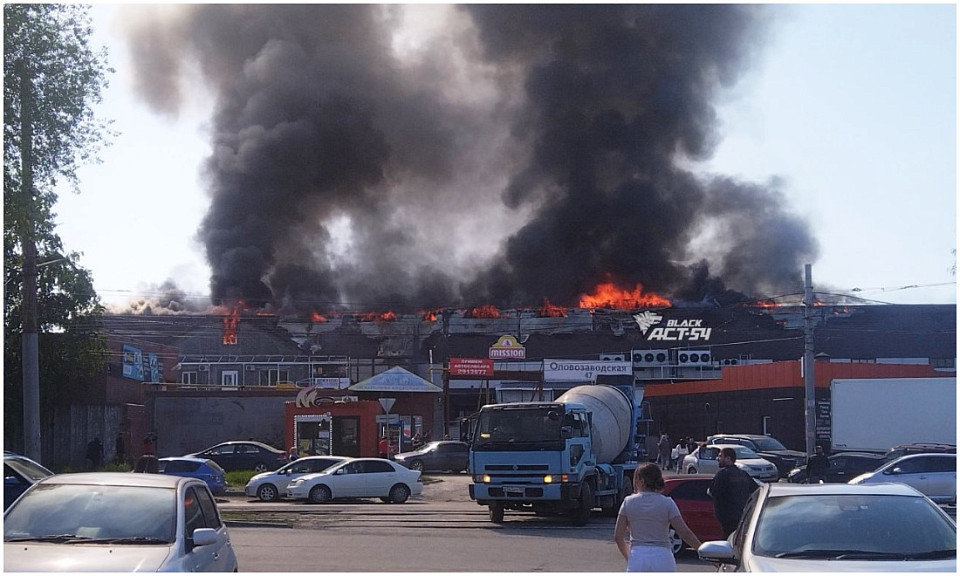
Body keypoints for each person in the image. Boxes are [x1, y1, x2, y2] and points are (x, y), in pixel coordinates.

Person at [614, 462, 701, 572]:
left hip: (638, 554)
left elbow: (618, 536)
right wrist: (703, 551)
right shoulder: (667, 503)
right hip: (663, 555)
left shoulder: (628, 502)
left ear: (641, 482)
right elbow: (685, 533)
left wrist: (629, 556)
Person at [708, 447, 759, 539]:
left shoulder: (722, 474)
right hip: (742, 516)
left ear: (728, 458)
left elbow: (713, 492)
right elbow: (756, 490)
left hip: (727, 517)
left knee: (727, 541)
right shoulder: (743, 474)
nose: (717, 458)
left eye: (720, 456)